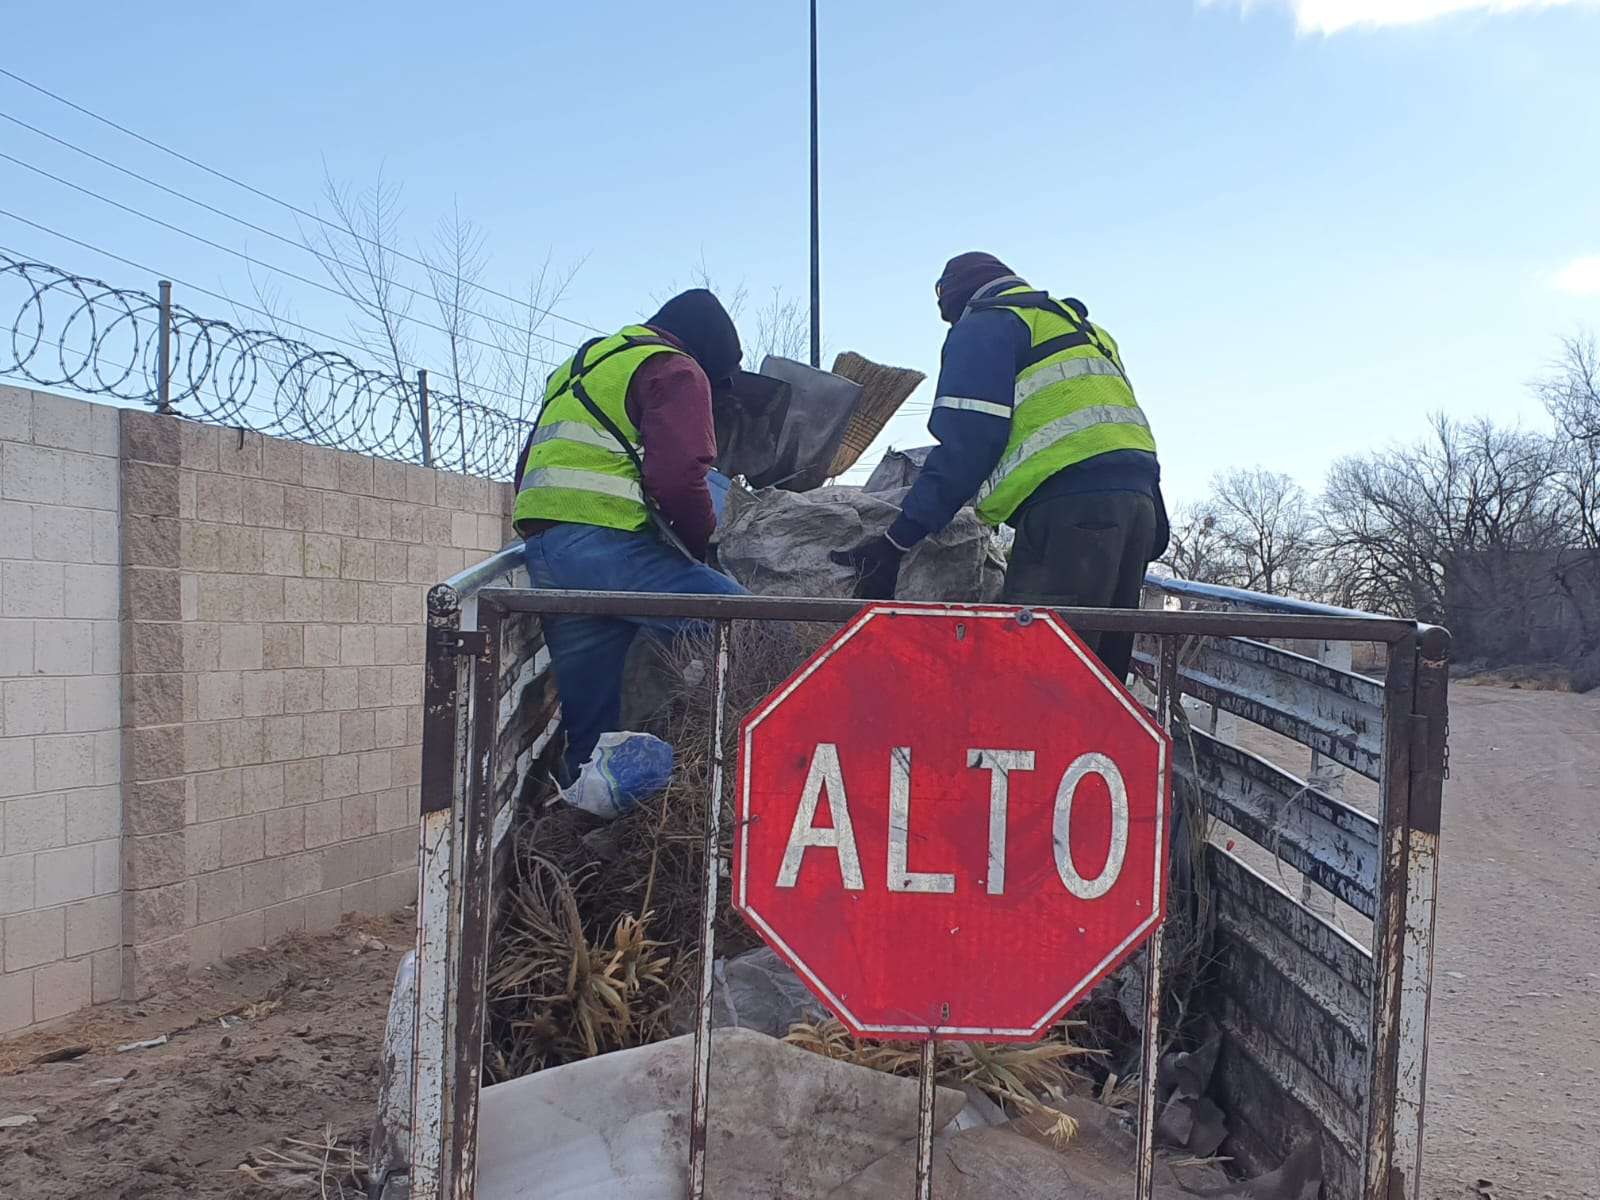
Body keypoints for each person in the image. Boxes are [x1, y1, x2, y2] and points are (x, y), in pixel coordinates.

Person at [832, 253, 1168, 681]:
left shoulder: (986, 325)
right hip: (1138, 509)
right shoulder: (1080, 328)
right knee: (1099, 683)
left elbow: (967, 445)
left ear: (957, 299)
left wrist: (896, 542)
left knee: (1032, 676)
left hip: (1070, 513)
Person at [515, 288, 748, 781]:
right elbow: (679, 477)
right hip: (607, 547)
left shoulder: (585, 363)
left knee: (592, 737)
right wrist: (701, 549)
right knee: (750, 623)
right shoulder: (677, 368)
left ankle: (587, 821)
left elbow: (530, 464)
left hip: (549, 552)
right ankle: (752, 756)